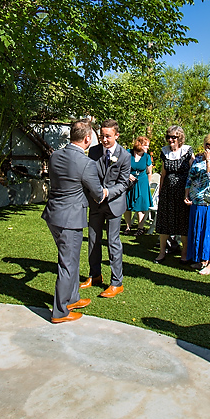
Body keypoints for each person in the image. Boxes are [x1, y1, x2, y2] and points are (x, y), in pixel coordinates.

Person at [41, 119, 107, 324]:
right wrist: (106, 191)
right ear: (87, 138)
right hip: (70, 218)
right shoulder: (86, 163)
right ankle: (60, 312)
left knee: (72, 259)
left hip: (54, 214)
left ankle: (73, 298)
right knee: (67, 264)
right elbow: (97, 194)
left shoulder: (55, 156)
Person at [81, 120, 131, 298]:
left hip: (114, 205)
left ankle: (117, 283)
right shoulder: (93, 151)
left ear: (116, 135)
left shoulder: (124, 156)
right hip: (95, 203)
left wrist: (107, 192)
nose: (103, 139)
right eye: (102, 136)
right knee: (93, 241)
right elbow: (88, 174)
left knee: (113, 243)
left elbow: (124, 183)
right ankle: (95, 275)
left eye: (107, 136)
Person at [184, 132, 210, 275]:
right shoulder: (197, 160)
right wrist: (187, 194)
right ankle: (201, 259)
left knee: (209, 232)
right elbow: (190, 178)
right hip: (196, 200)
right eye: (208, 144)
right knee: (198, 231)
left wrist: (208, 161)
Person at [155, 125, 194, 263]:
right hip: (167, 192)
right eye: (169, 137)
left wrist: (188, 192)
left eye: (174, 137)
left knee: (183, 222)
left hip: (183, 191)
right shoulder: (164, 151)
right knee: (164, 221)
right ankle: (162, 252)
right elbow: (163, 173)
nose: (170, 140)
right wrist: (160, 191)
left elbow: (192, 172)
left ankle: (184, 253)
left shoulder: (187, 151)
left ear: (180, 138)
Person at [123, 136, 153, 236]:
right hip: (129, 181)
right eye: (146, 146)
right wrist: (127, 175)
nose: (147, 148)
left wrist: (147, 184)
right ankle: (128, 227)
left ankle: (140, 228)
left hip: (142, 182)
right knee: (127, 204)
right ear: (139, 145)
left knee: (141, 205)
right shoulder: (128, 152)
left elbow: (149, 172)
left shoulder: (147, 157)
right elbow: (120, 166)